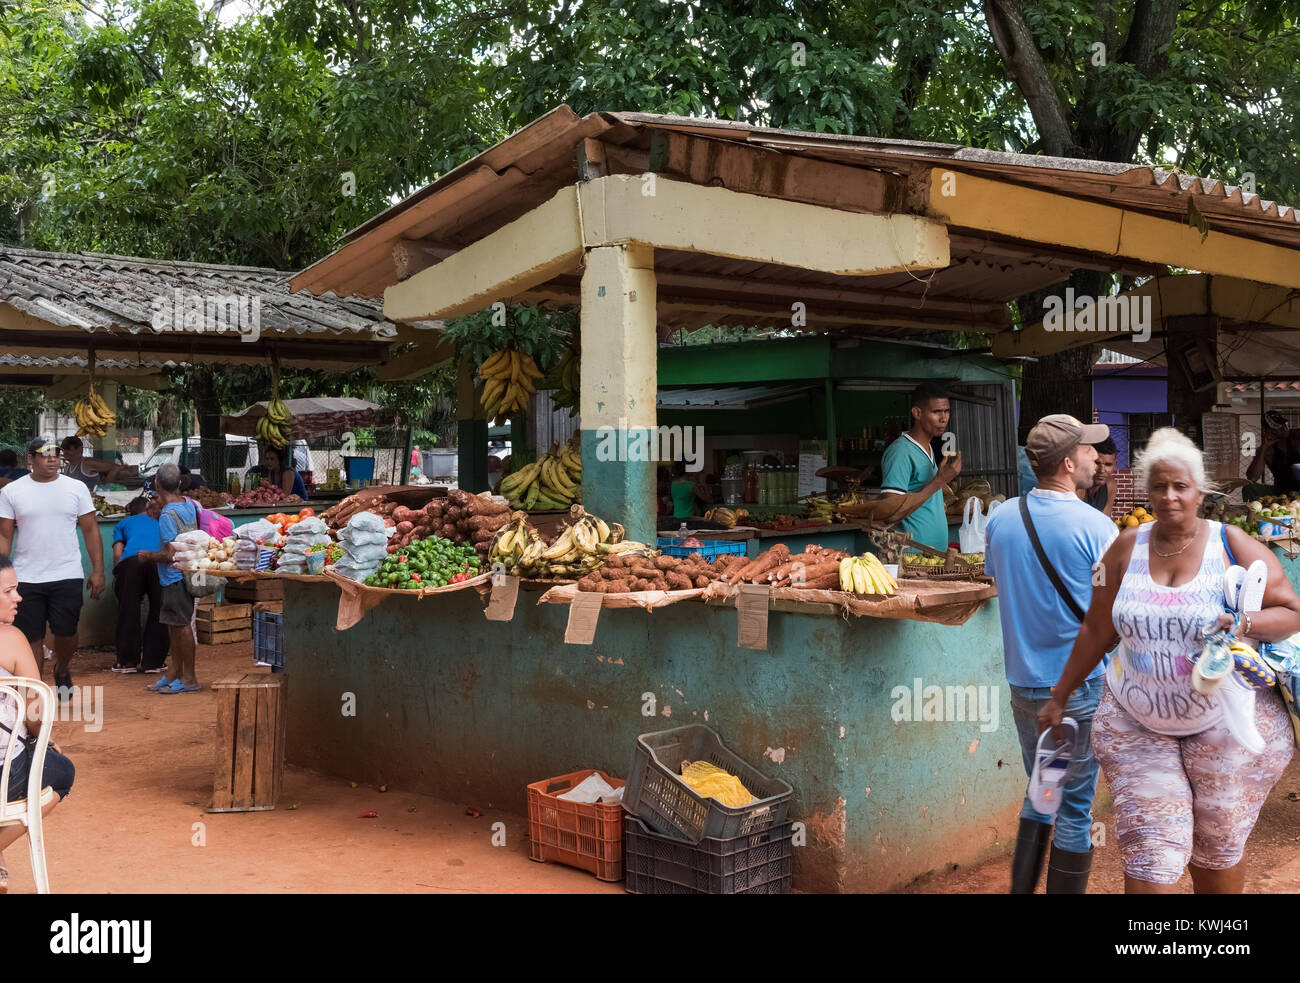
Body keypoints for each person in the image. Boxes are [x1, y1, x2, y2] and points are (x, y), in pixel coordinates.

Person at [1040, 428, 1300, 894]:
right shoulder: (1125, 547)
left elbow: (1291, 613)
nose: (1169, 496)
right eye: (1159, 486)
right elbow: (1098, 629)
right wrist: (1059, 696)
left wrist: (1243, 624)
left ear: (1200, 491)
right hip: (1136, 720)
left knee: (1216, 845)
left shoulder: (1232, 543)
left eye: (1180, 486)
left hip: (1223, 723)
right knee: (1150, 849)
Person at [985, 414, 1116, 893]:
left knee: (1043, 791)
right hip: (1077, 687)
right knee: (1075, 808)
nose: (1096, 460)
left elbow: (998, 581)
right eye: (1088, 452)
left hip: (1025, 686)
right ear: (1067, 462)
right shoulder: (1095, 527)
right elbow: (1116, 612)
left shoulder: (1002, 518)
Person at [0, 436, 105, 702]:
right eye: (45, 454)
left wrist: (98, 570)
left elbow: (91, 530)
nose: (52, 459)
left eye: (56, 454)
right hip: (26, 576)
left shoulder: (77, 488)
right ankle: (34, 693)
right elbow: (4, 536)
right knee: (31, 637)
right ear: (30, 459)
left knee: (66, 633)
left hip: (67, 573)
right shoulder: (12, 491)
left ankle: (62, 667)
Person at [0, 551, 75, 893]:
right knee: (61, 772)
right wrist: (43, 742)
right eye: (8, 591)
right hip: (5, 776)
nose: (19, 597)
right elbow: (34, 715)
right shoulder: (12, 640)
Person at [135, 464, 201, 694]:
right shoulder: (188, 505)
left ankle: (189, 678)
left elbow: (170, 554)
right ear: (180, 483)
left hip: (174, 576)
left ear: (156, 484)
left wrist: (149, 556)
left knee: (181, 627)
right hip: (185, 573)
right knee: (174, 627)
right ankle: (175, 672)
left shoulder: (166, 515)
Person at [879, 382, 962, 550]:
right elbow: (891, 513)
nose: (943, 418)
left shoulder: (928, 447)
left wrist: (942, 484)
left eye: (946, 411)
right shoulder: (901, 452)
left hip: (932, 559)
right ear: (917, 413)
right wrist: (938, 482)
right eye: (936, 412)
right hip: (911, 559)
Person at [110, 496, 169, 674]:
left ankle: (126, 662)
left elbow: (117, 553)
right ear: (147, 508)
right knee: (158, 609)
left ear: (131, 511)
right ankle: (154, 662)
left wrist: (120, 575)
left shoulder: (122, 523)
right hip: (156, 560)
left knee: (129, 608)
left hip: (131, 562)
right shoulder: (159, 520)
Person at [1245, 410, 1300, 495]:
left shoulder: (1296, 436)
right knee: (1249, 488)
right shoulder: (1267, 451)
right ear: (1268, 431)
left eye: (1284, 424)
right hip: (1281, 492)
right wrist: (1264, 447)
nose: (1283, 427)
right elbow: (1252, 477)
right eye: (1277, 426)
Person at [59, 435, 125, 494]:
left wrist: (104, 489)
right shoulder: (67, 468)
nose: (65, 452)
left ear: (80, 449)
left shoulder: (87, 463)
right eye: (64, 449)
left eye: (68, 449)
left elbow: (116, 467)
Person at [1079, 437, 1118, 518]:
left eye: (1108, 465)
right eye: (1097, 463)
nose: (1102, 470)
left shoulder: (1110, 485)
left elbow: (1105, 521)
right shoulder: (1078, 486)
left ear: (1115, 465)